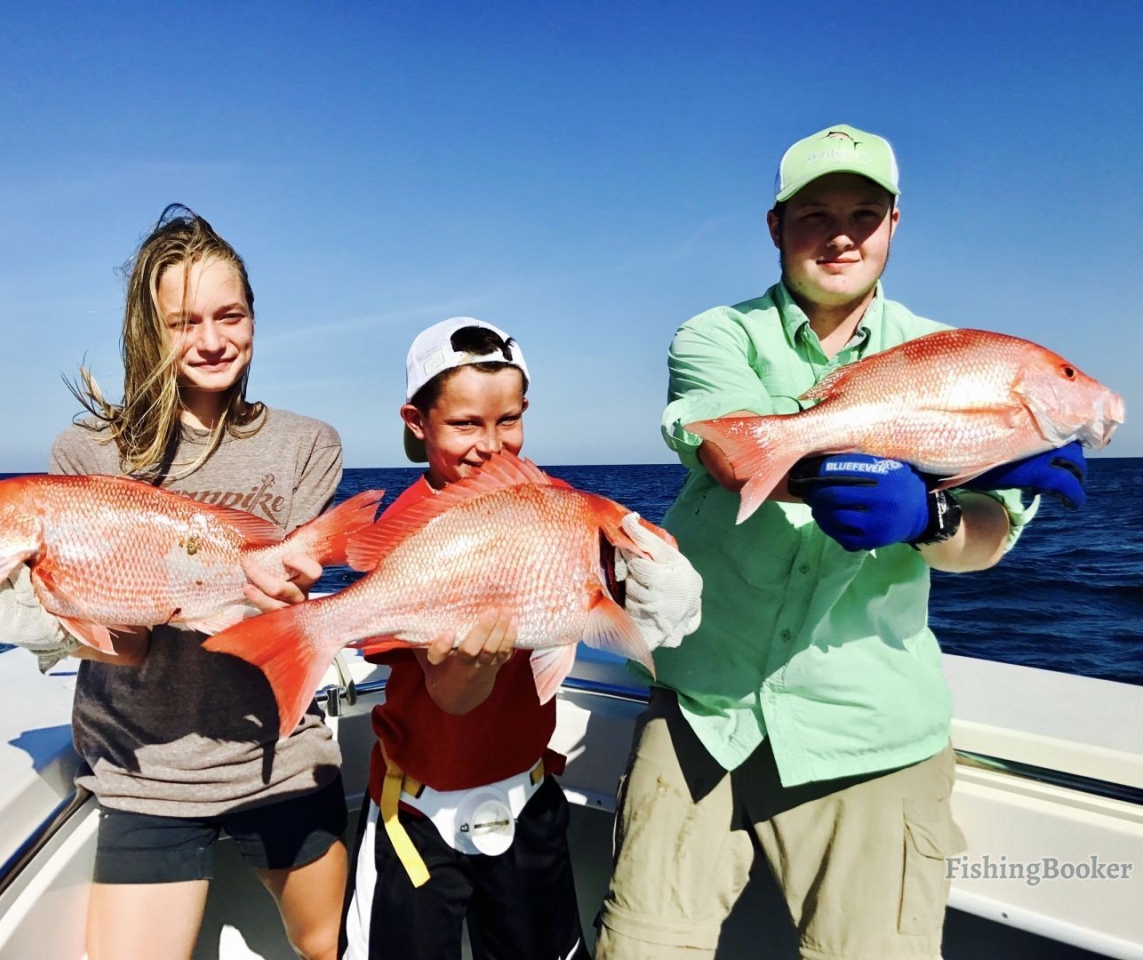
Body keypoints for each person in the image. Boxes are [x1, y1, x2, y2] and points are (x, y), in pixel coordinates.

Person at [595, 125, 1089, 959]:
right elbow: (730, 447)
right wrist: (886, 467)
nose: (842, 236)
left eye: (864, 215)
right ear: (776, 226)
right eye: (815, 215)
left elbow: (988, 538)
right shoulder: (716, 334)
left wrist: (929, 516)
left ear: (894, 224)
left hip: (871, 731)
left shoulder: (960, 356)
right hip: (704, 713)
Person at [0, 205, 349, 960]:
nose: (212, 340)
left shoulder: (307, 444)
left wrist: (275, 585)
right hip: (145, 771)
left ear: (254, 318)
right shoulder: (85, 452)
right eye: (183, 322)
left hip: (280, 756)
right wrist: (40, 615)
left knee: (322, 945)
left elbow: (288, 609)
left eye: (230, 315)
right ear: (149, 330)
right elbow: (125, 650)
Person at [342, 318, 702, 960]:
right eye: (465, 424)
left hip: (529, 799)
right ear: (417, 422)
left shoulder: (556, 502)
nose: (491, 445)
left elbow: (619, 602)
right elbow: (450, 696)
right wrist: (474, 665)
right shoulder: (411, 528)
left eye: (508, 420)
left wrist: (656, 586)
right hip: (415, 816)